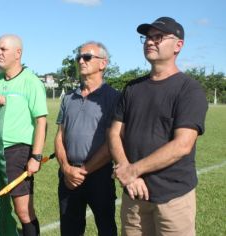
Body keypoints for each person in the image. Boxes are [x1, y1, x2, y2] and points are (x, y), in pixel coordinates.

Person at [109, 17, 208, 236]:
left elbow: (183, 145)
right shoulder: (132, 88)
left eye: (158, 37)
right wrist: (127, 171)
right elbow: (114, 133)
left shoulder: (189, 89)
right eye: (147, 37)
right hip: (134, 195)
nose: (150, 42)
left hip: (172, 198)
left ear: (178, 45)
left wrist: (132, 171)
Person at [0, 34, 47, 236]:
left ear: (18, 53)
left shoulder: (31, 81)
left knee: (23, 210)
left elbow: (41, 122)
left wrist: (36, 157)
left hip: (18, 152)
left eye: (3, 49)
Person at [54, 41, 119, 236]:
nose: (81, 61)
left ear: (103, 63)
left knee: (106, 228)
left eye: (87, 57)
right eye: (79, 57)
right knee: (70, 229)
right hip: (68, 174)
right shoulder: (68, 98)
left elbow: (112, 143)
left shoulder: (114, 98)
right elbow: (59, 137)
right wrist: (66, 168)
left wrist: (83, 171)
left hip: (99, 175)